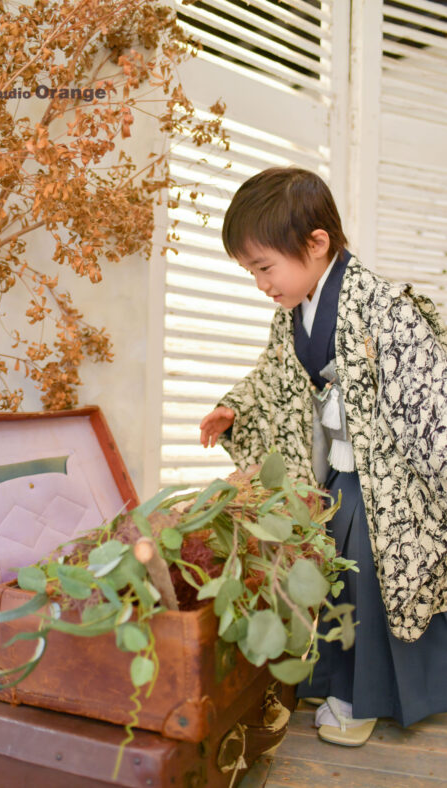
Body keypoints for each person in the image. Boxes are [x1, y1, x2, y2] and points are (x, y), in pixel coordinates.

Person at [199, 167, 447, 746]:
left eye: (264, 267)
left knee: (366, 582)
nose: (261, 283)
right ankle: (329, 683)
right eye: (250, 271)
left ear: (317, 243)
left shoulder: (389, 308)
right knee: (322, 576)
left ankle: (361, 701)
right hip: (333, 470)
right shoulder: (292, 312)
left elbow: (429, 402)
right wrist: (234, 408)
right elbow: (272, 378)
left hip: (385, 482)